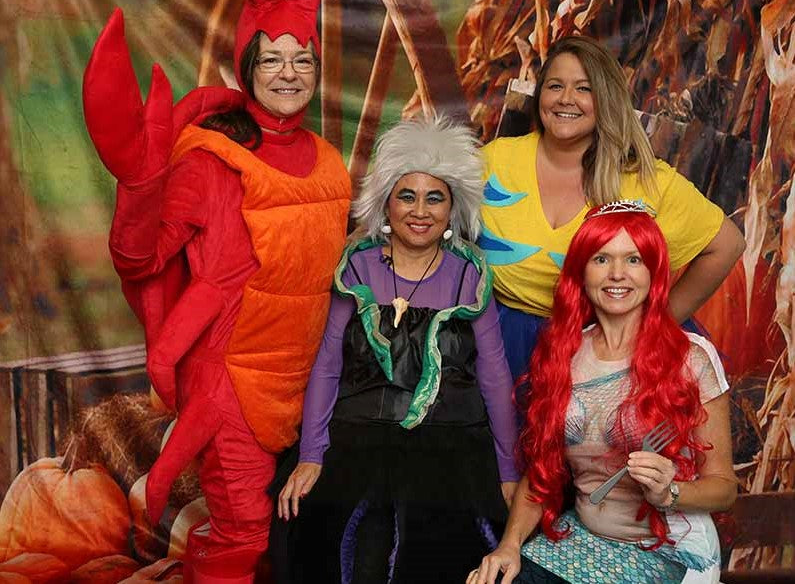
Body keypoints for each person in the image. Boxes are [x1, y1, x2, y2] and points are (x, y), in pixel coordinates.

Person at [82, 0, 351, 582]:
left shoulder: (330, 162)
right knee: (242, 533)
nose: (289, 72)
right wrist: (140, 183)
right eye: (272, 59)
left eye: (302, 59)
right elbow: (142, 258)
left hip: (308, 387)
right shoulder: (210, 162)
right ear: (248, 67)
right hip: (230, 387)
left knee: (294, 534)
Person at [274, 117, 520, 583]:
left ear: (453, 207)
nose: (420, 211)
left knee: (441, 550)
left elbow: (494, 374)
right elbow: (328, 364)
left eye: (435, 197)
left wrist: (508, 472)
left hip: (451, 441)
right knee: (338, 540)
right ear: (386, 201)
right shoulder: (358, 266)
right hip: (359, 434)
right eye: (407, 195)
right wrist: (312, 454)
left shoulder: (469, 273)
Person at [468, 201, 737, 584]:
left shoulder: (689, 357)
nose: (617, 274)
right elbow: (541, 475)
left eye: (634, 260)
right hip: (583, 539)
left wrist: (670, 492)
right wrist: (509, 546)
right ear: (581, 271)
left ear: (654, 272)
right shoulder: (562, 355)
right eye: (601, 259)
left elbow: (724, 489)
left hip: (671, 550)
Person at [479, 35, 745, 377]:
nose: (566, 98)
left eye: (584, 88)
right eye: (555, 86)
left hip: (600, 355)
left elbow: (727, 244)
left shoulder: (644, 180)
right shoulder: (494, 161)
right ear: (540, 93)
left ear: (606, 98)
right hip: (502, 346)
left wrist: (652, 330)